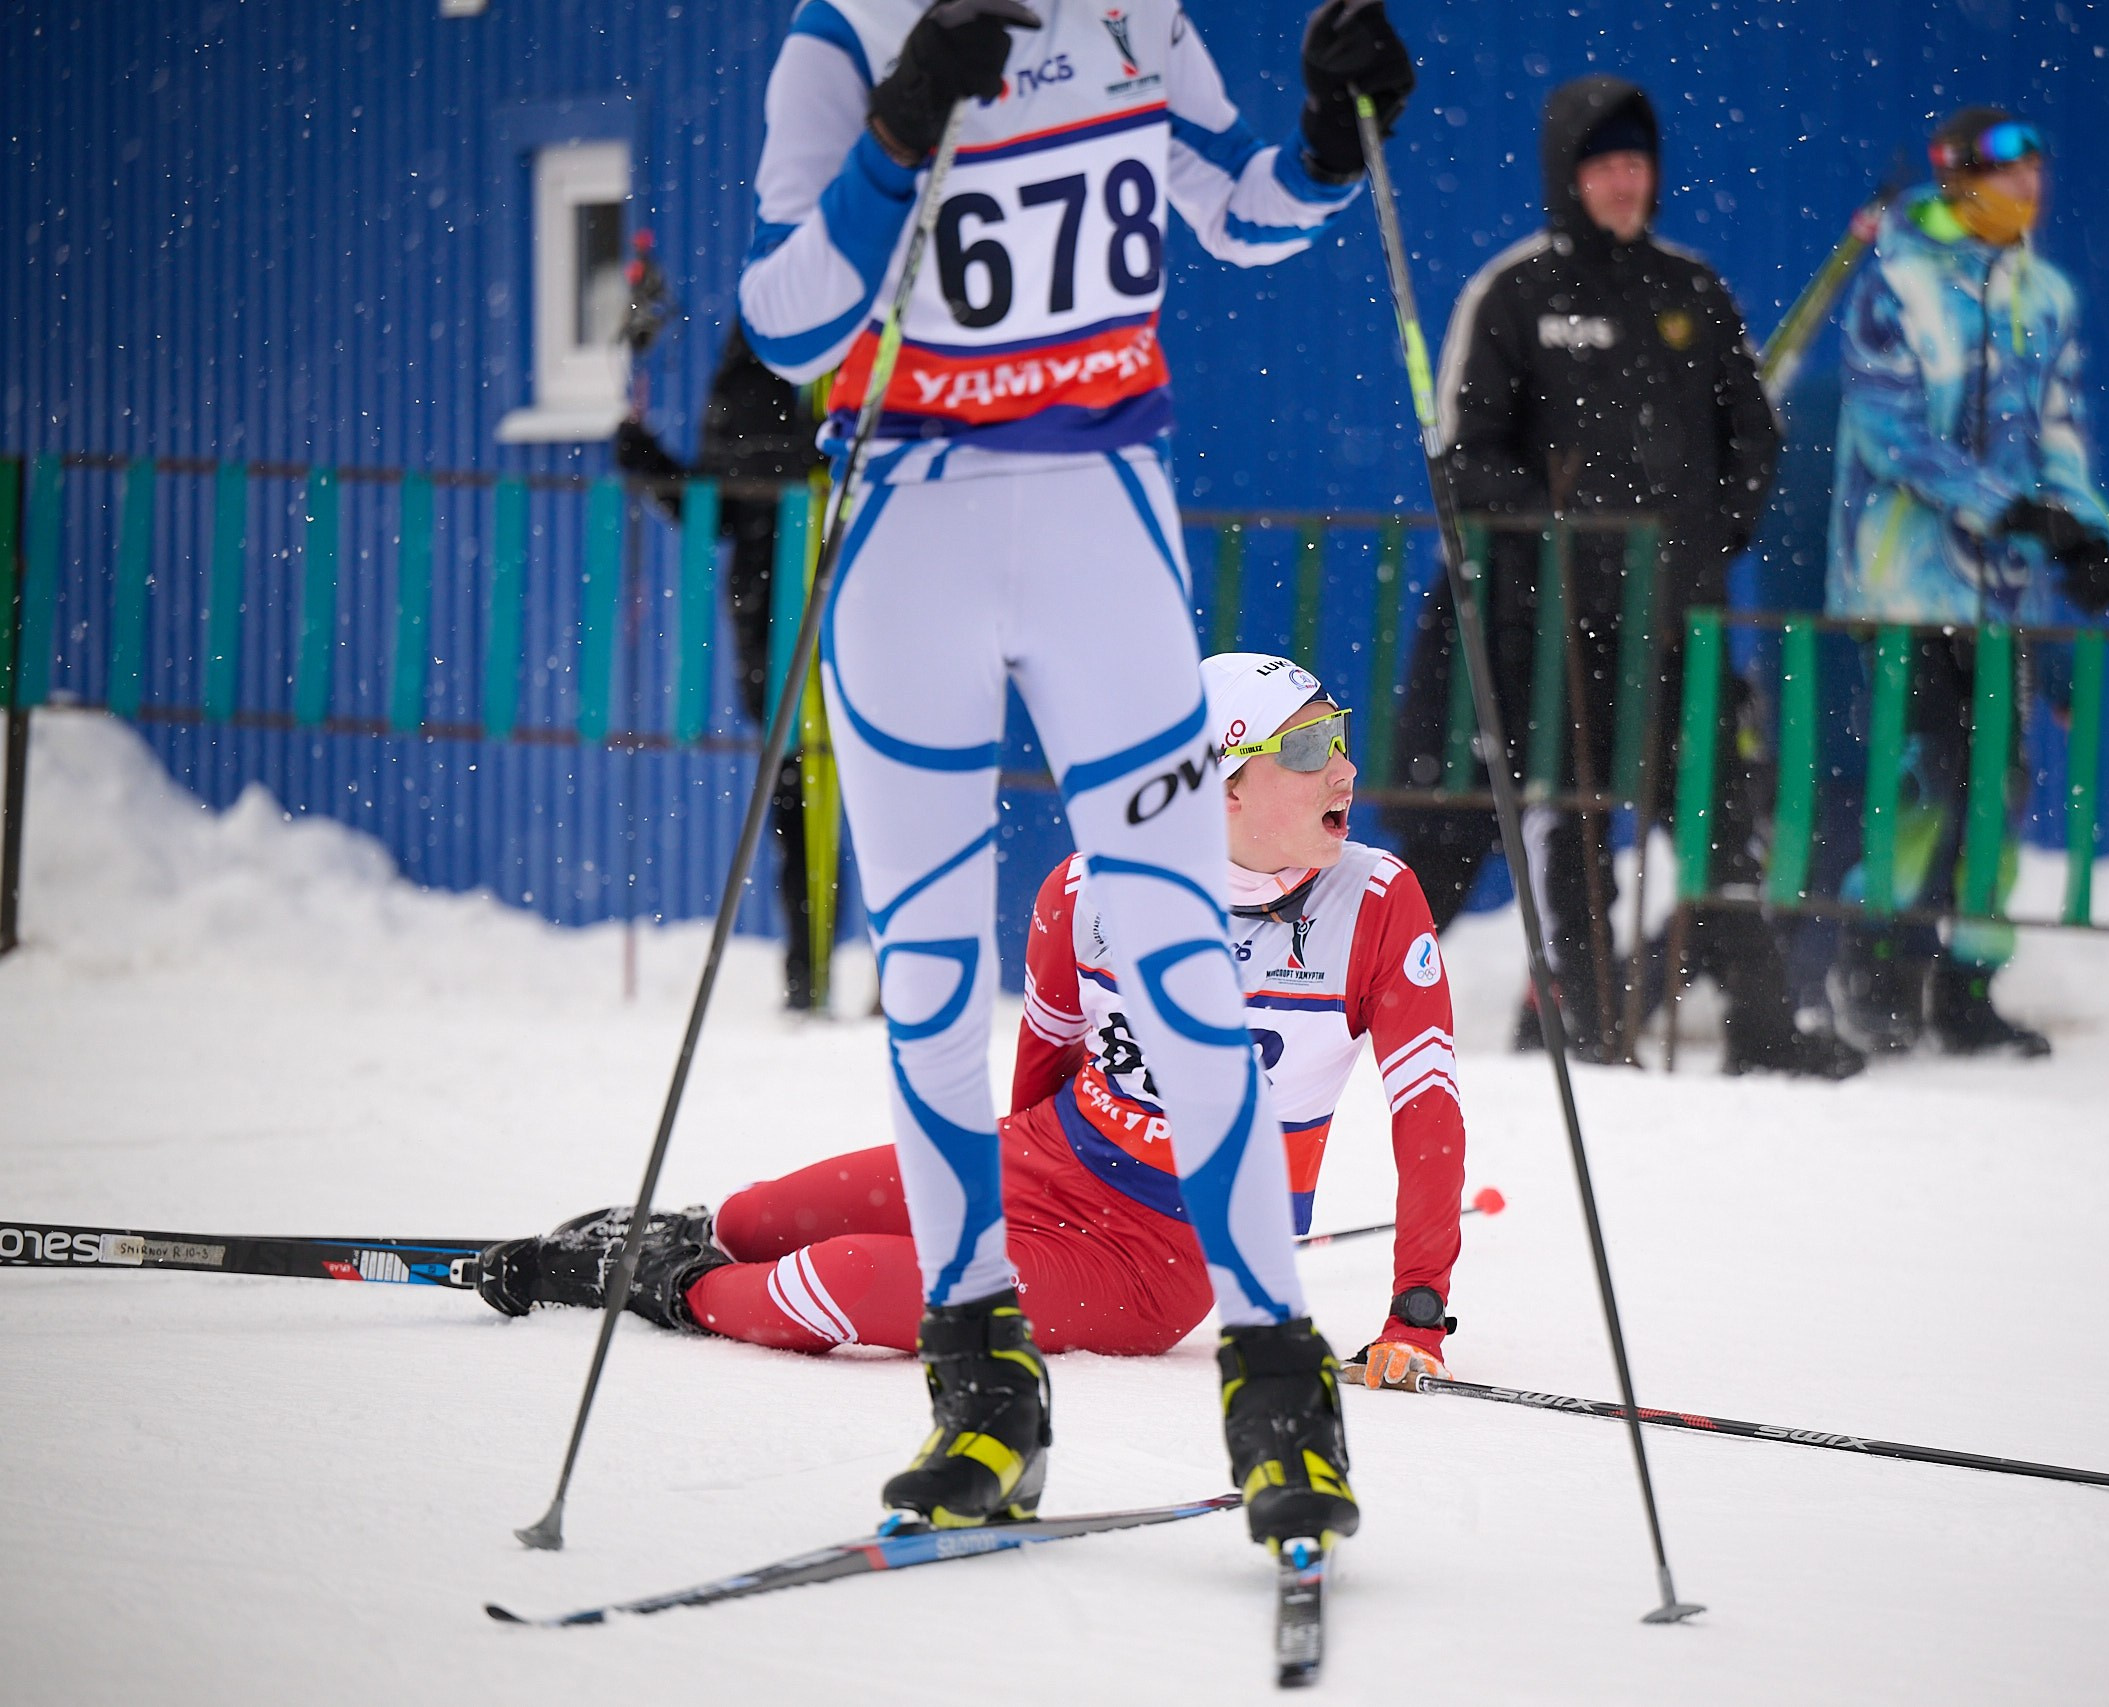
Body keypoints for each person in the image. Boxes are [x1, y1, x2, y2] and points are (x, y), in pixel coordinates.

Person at [717, 0, 1414, 1549]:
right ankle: (984, 1394)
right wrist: (901, 135)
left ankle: (1280, 1393)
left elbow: (1243, 212)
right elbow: (782, 318)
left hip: (1103, 509)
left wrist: (1323, 138)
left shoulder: (1133, 16)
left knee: (1175, 948)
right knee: (927, 974)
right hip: (916, 524)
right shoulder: (845, 34)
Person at [475, 653, 1467, 1398]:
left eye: (1334, 735)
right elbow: (1045, 1065)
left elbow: (1425, 1114)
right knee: (757, 1215)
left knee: (830, 1285)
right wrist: (1002, 1188)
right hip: (1037, 1165)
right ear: (1221, 780)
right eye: (1304, 748)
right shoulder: (1091, 886)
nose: (1341, 768)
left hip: (1155, 1258)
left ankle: (663, 1284)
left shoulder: (1376, 903)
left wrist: (1416, 1307)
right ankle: (694, 1237)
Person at [1383, 75, 1861, 1080]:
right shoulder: (1513, 293)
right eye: (1602, 165)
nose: (1622, 183)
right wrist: (1558, 532)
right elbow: (1462, 458)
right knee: (1575, 828)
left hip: (1678, 622)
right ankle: (1590, 1026)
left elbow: (1753, 437)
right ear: (1567, 175)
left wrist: (1710, 538)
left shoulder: (1693, 291)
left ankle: (1761, 1028)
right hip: (1550, 628)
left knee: (1719, 812)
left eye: (1637, 164)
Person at [1826, 108, 2109, 1057]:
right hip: (1904, 587)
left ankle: (1969, 984)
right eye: (2005, 167)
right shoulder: (1897, 288)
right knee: (1921, 780)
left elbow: (2061, 434)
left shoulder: (2050, 297)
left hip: (2006, 598)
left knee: (2000, 785)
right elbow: (1890, 436)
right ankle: (1878, 963)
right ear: (1957, 178)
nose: (2027, 182)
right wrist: (2006, 507)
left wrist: (2084, 533)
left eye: (2037, 165)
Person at [612, 327, 829, 1010]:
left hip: (789, 628)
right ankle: (812, 974)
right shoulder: (801, 373)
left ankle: (813, 973)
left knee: (804, 806)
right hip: (796, 629)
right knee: (808, 806)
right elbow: (716, 504)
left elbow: (711, 504)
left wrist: (648, 462)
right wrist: (646, 459)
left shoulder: (763, 369)